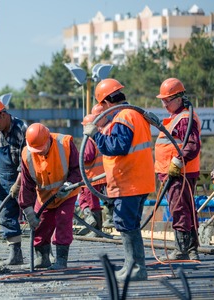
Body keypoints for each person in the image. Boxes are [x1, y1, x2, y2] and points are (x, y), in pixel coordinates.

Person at [83, 78, 155, 281]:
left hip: (129, 181)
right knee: (128, 224)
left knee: (126, 223)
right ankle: (131, 266)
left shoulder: (124, 117)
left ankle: (137, 268)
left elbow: (117, 147)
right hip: (137, 179)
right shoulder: (135, 114)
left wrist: (96, 135)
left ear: (106, 102)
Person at [19, 123, 82, 270]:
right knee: (41, 225)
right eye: (37, 150)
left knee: (63, 220)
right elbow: (26, 184)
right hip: (45, 197)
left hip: (67, 193)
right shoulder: (27, 154)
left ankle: (61, 260)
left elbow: (77, 169)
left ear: (48, 139)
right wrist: (27, 209)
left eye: (41, 149)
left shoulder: (65, 144)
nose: (39, 153)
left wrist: (68, 185)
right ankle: (42, 258)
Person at [154, 78, 201, 261]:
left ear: (178, 98)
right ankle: (191, 249)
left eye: (167, 100)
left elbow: (191, 145)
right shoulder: (178, 117)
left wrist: (177, 162)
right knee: (185, 209)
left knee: (179, 209)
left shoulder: (183, 119)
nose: (164, 104)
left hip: (178, 173)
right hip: (177, 172)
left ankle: (182, 249)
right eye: (162, 100)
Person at [0, 99, 28, 266]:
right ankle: (15, 254)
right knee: (6, 216)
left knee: (34, 215)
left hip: (25, 179)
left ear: (3, 115)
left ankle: (43, 253)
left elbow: (27, 161)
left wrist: (18, 184)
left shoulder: (22, 129)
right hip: (3, 180)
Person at [77, 112, 106, 237]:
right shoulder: (99, 136)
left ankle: (96, 230)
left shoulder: (89, 139)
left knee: (91, 202)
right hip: (95, 176)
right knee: (83, 199)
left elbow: (87, 156)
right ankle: (91, 223)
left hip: (91, 177)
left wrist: (76, 159)